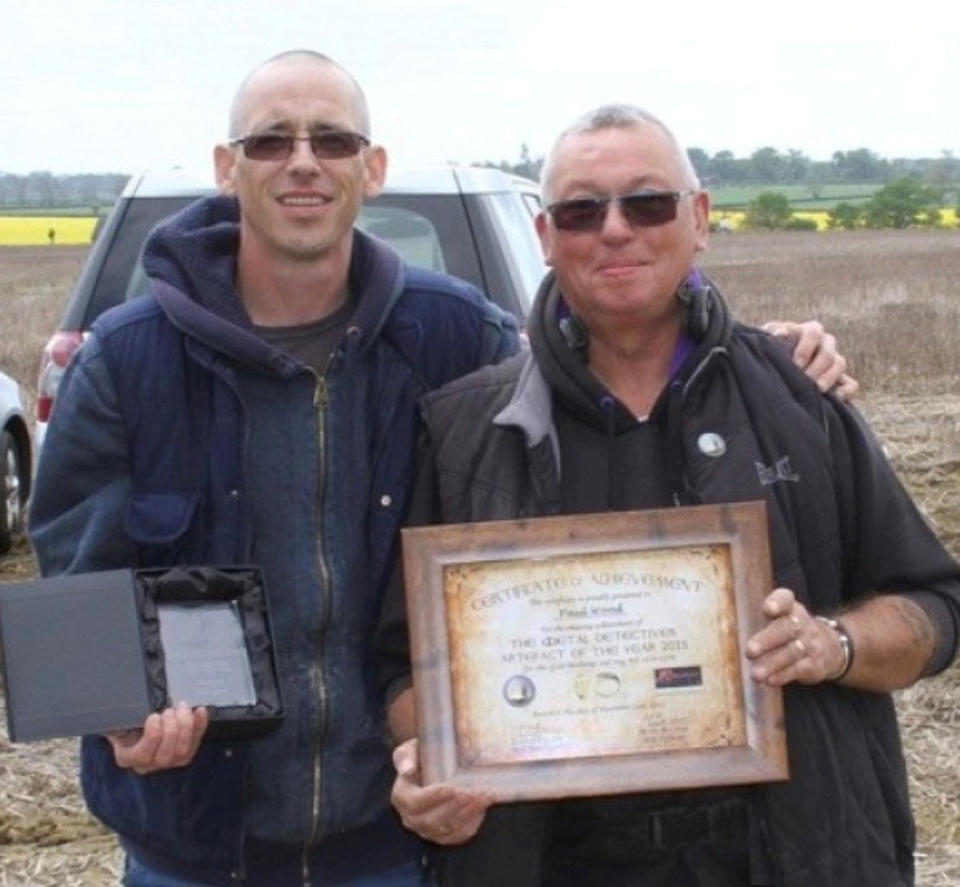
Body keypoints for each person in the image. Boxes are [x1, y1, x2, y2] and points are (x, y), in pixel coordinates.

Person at [29, 50, 848, 886]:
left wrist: (757, 350)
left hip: (395, 840)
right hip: (195, 847)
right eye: (271, 141)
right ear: (225, 167)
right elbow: (76, 576)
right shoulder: (126, 362)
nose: (304, 161)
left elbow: (608, 345)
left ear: (372, 168)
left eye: (334, 140)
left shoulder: (457, 336)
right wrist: (122, 716)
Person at [378, 105, 960, 887]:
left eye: (647, 203)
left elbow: (937, 605)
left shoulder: (801, 399)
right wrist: (428, 759)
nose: (615, 230)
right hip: (552, 864)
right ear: (547, 238)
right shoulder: (462, 430)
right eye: (582, 211)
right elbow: (399, 663)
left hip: (787, 857)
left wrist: (833, 644)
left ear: (700, 219)